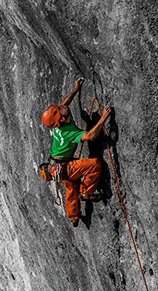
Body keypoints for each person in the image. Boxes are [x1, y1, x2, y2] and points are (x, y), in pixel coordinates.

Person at [40, 77, 112, 227]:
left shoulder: (60, 119)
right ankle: (86, 192)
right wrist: (104, 117)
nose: (61, 107)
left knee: (71, 188)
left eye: (58, 108)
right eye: (58, 110)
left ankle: (73, 217)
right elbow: (91, 136)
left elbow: (64, 102)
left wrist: (75, 90)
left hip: (57, 165)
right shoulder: (68, 133)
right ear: (60, 120)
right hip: (63, 166)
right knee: (96, 165)